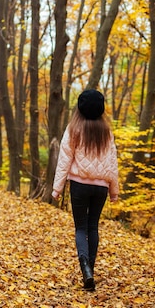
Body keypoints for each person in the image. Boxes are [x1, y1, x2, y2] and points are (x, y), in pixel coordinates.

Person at [52, 89, 119, 291]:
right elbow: (112, 162)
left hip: (80, 185)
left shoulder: (74, 128)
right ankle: (90, 271)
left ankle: (86, 270)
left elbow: (65, 159)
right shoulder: (106, 131)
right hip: (100, 188)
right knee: (93, 227)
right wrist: (114, 191)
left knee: (81, 228)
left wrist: (57, 188)